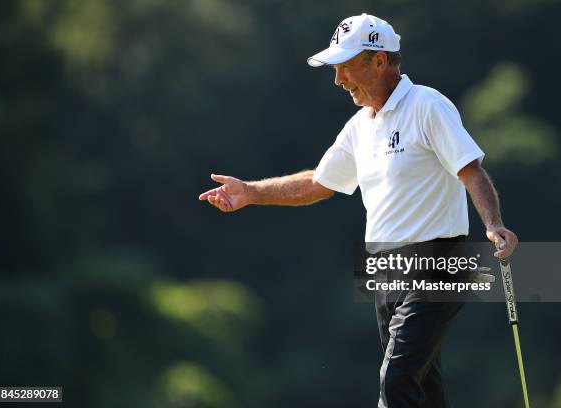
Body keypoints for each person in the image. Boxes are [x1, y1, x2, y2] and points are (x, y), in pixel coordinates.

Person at [199, 13, 518, 408]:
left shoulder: (427, 106)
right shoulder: (358, 127)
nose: (338, 80)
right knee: (423, 384)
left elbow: (471, 170)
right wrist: (250, 192)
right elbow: (319, 183)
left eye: (347, 67)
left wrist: (493, 224)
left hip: (439, 260)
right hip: (384, 268)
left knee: (397, 376)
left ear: (379, 60)